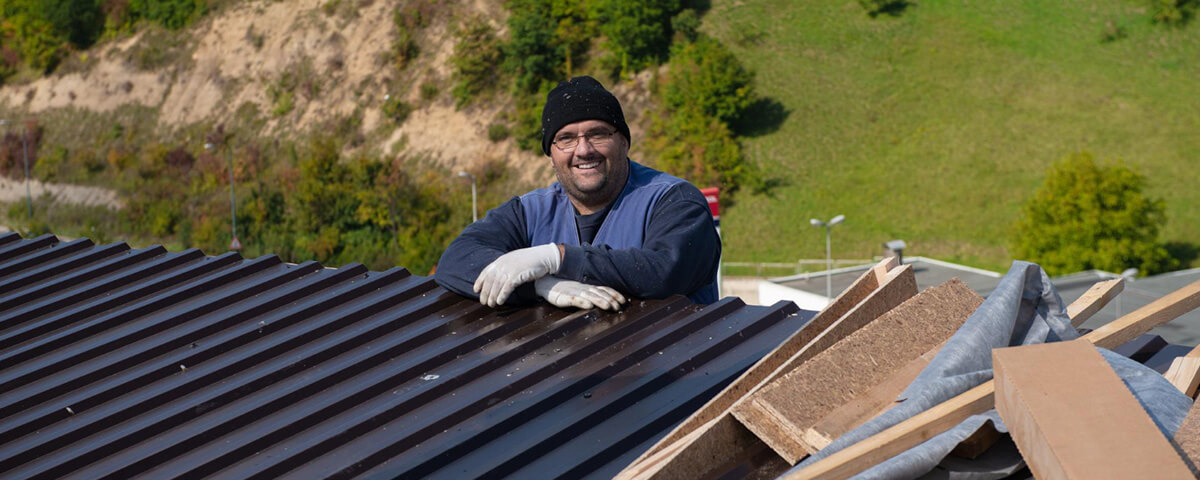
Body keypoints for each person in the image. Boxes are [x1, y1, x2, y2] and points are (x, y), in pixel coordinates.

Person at [434, 76, 721, 310]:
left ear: (624, 142)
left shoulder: (675, 201)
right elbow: (456, 261)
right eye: (566, 138)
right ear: (551, 155)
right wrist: (539, 285)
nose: (583, 150)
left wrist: (558, 259)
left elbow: (665, 272)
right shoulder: (530, 212)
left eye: (598, 134)